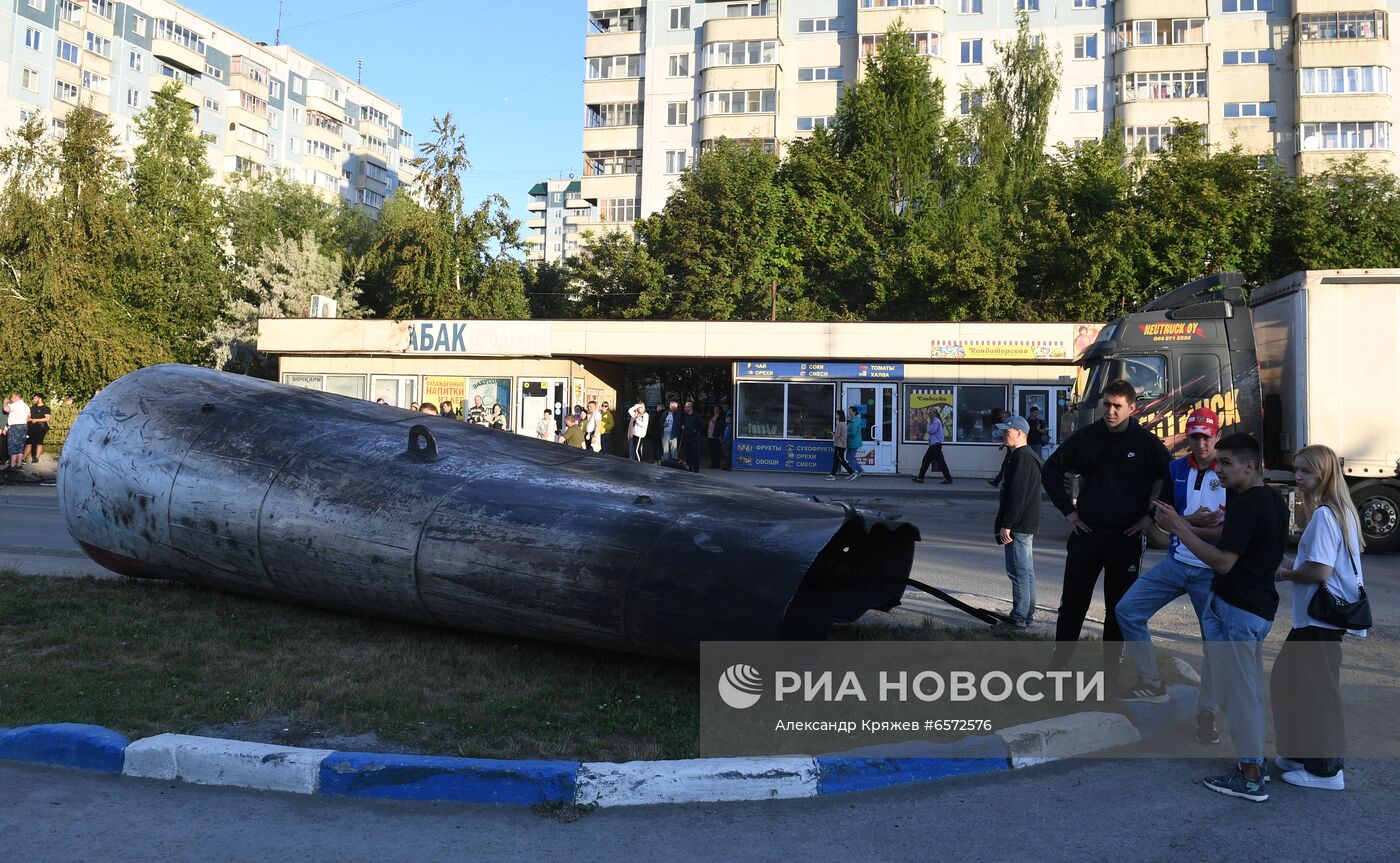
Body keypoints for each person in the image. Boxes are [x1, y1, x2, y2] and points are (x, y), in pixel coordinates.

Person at [1154, 433, 1288, 803]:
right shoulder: (1273, 499)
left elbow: (1224, 561)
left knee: (1240, 696)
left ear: (1250, 465)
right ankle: (1254, 766)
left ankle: (1250, 777)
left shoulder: (1247, 505)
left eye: (1227, 463)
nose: (1219, 469)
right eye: (1219, 462)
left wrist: (1179, 528)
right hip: (1253, 609)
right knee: (1246, 692)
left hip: (1240, 612)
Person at [1041, 379, 1171, 682]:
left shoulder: (1145, 443)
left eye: (1117, 406)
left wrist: (1151, 517)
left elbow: (1172, 478)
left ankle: (1112, 670)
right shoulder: (1086, 438)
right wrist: (1068, 512)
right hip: (1087, 534)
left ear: (1132, 408)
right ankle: (1059, 666)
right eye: (1107, 405)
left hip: (1125, 539)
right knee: (1072, 603)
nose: (1111, 411)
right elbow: (1050, 470)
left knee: (1119, 608)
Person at [1114, 408, 1225, 745]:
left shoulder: (1231, 469)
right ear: (1188, 436)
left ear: (1217, 435)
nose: (1201, 443)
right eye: (1195, 436)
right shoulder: (1176, 466)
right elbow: (1162, 519)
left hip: (1211, 570)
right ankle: (1151, 681)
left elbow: (1236, 530)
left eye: (1207, 436)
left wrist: (1187, 524)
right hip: (1177, 562)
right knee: (1127, 610)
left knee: (1215, 646)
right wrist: (1191, 522)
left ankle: (1207, 714)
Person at [1270, 444, 1367, 792]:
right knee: (1288, 683)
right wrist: (1287, 564)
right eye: (1296, 469)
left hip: (1319, 621)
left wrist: (1283, 576)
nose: (1298, 477)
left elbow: (1321, 571)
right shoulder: (1336, 511)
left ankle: (1327, 770)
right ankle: (1301, 754)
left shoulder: (1327, 515)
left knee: (1318, 692)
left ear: (1324, 473)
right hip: (1313, 621)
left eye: (1306, 471)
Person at [991, 416, 1042, 629]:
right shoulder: (1024, 456)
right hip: (1024, 523)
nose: (1004, 434)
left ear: (1020, 433)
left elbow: (1017, 495)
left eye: (1008, 431)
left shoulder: (1022, 458)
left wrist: (1007, 524)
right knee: (1026, 570)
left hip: (1018, 525)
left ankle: (1019, 616)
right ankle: (1027, 614)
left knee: (1018, 571)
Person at [912, 406, 953, 484]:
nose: (929, 414)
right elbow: (929, 430)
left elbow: (931, 431)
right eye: (928, 413)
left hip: (936, 445)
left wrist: (929, 427)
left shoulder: (936, 421)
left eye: (930, 413)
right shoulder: (932, 421)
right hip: (932, 445)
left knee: (941, 462)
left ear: (935, 413)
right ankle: (920, 478)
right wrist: (929, 426)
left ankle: (948, 479)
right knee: (926, 461)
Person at [5, 392, 30, 470]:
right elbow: (29, 417)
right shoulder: (26, 406)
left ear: (16, 397)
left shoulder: (15, 405)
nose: (11, 399)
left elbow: (6, 409)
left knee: (13, 445)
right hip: (24, 426)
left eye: (12, 397)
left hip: (15, 426)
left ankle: (12, 465)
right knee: (21, 446)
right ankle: (19, 465)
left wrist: (5, 402)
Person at [25, 394, 51, 465]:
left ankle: (36, 459)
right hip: (31, 428)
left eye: (35, 398)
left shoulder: (46, 408)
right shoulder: (32, 408)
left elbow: (47, 418)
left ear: (40, 399)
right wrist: (29, 419)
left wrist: (36, 420)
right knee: (28, 443)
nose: (33, 400)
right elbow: (28, 417)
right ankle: (23, 459)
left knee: (39, 443)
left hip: (41, 428)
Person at [680, 400, 704, 473]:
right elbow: (682, 423)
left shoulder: (696, 415)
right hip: (686, 438)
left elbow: (701, 425)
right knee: (688, 454)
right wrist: (682, 426)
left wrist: (696, 431)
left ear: (690, 407)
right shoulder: (685, 415)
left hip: (694, 438)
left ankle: (696, 470)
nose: (684, 408)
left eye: (685, 407)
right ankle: (689, 469)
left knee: (695, 454)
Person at [828, 411, 852, 480]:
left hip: (839, 445)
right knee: (836, 460)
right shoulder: (844, 424)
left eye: (836, 415)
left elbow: (837, 436)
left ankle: (852, 473)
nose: (836, 416)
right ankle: (832, 475)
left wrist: (832, 434)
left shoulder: (839, 424)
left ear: (839, 416)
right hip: (843, 445)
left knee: (841, 460)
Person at [845, 406, 865, 481]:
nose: (849, 412)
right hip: (852, 442)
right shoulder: (853, 420)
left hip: (853, 442)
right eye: (848, 411)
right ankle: (858, 470)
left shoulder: (855, 421)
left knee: (850, 458)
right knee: (849, 457)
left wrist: (845, 433)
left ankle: (853, 473)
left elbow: (853, 433)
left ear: (854, 412)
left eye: (850, 411)